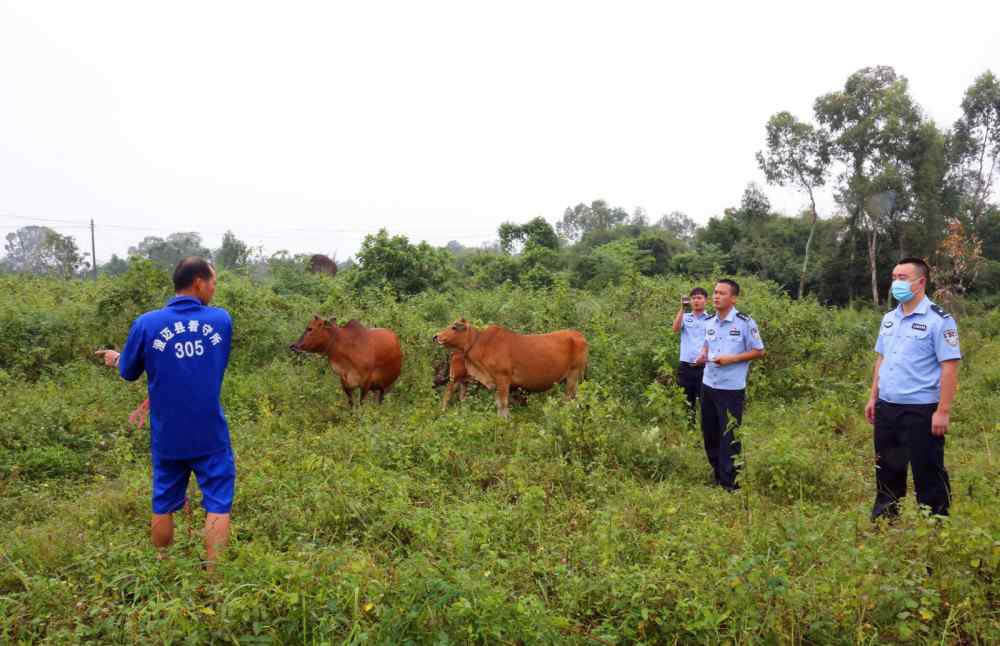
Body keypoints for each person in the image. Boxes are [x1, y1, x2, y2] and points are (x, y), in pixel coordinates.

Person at [96, 257, 235, 569]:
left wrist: (118, 358)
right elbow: (209, 363)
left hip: (168, 434)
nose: (214, 288)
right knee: (218, 502)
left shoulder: (146, 324)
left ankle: (163, 564)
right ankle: (214, 574)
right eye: (213, 281)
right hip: (209, 431)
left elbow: (130, 372)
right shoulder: (221, 321)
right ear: (199, 282)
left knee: (163, 502)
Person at [865, 258, 960, 520]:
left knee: (927, 471)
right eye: (894, 277)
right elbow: (881, 359)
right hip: (887, 407)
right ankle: (885, 522)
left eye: (903, 277)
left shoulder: (939, 320)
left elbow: (949, 367)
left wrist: (943, 411)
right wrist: (873, 397)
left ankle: (936, 526)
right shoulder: (889, 319)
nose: (896, 282)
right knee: (886, 469)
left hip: (921, 410)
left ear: (921, 282)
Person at [696, 279, 765, 490]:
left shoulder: (744, 322)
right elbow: (707, 345)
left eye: (722, 293)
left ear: (733, 298)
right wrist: (703, 355)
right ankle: (717, 475)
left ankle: (731, 483)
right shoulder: (708, 321)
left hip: (730, 389)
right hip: (708, 384)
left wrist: (731, 359)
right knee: (710, 433)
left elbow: (759, 351)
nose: (716, 296)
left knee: (730, 436)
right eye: (715, 292)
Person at [671, 287, 710, 426]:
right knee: (687, 401)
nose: (696, 301)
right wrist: (682, 308)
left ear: (706, 300)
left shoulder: (712, 320)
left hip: (705, 367)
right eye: (693, 298)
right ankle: (690, 429)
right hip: (686, 367)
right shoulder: (685, 317)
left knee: (705, 401)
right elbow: (675, 329)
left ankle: (706, 429)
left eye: (699, 298)